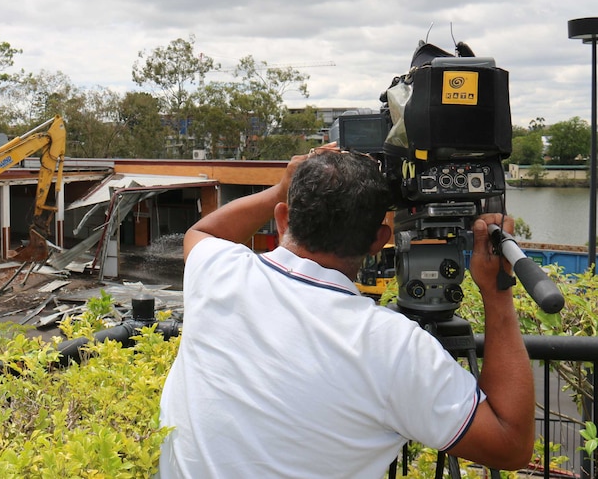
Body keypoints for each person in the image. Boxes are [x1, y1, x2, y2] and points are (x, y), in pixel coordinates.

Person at [157, 148, 534, 478]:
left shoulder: (221, 273)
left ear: (283, 218)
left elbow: (202, 232)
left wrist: (277, 189)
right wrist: (496, 292)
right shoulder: (393, 347)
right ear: (378, 242)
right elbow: (510, 445)